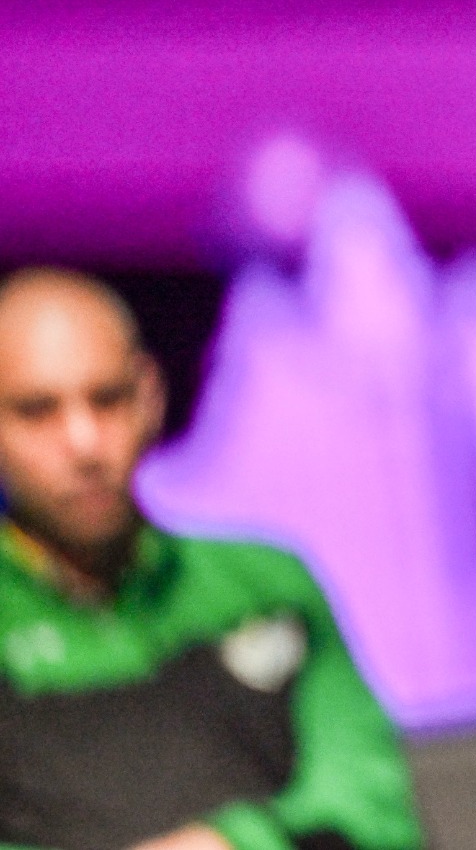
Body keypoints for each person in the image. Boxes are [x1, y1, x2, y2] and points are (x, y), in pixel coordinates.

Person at [0, 268, 423, 850]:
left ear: (150, 396)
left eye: (108, 399)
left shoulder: (266, 585)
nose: (84, 444)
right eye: (36, 411)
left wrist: (233, 842)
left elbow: (373, 808)